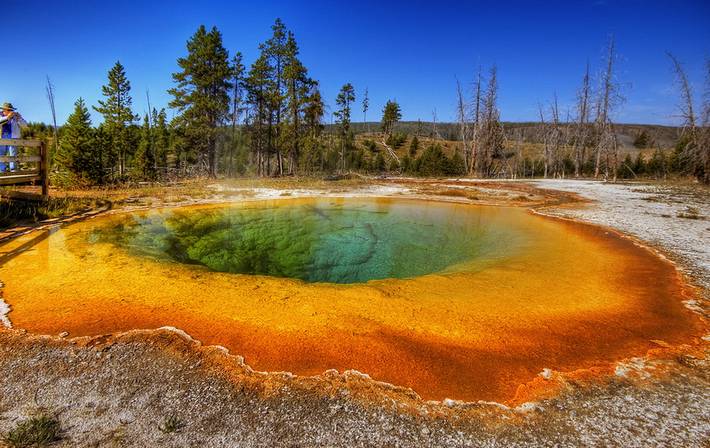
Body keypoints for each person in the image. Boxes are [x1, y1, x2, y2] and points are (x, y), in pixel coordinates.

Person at [0, 103, 26, 172]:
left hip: (13, 138)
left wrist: (19, 118)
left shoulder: (16, 116)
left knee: (13, 155)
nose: (9, 111)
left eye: (10, 110)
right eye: (7, 110)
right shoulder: (0, 115)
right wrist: (7, 117)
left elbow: (25, 125)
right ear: (3, 110)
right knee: (1, 155)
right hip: (2, 138)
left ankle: (13, 171)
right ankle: (2, 171)